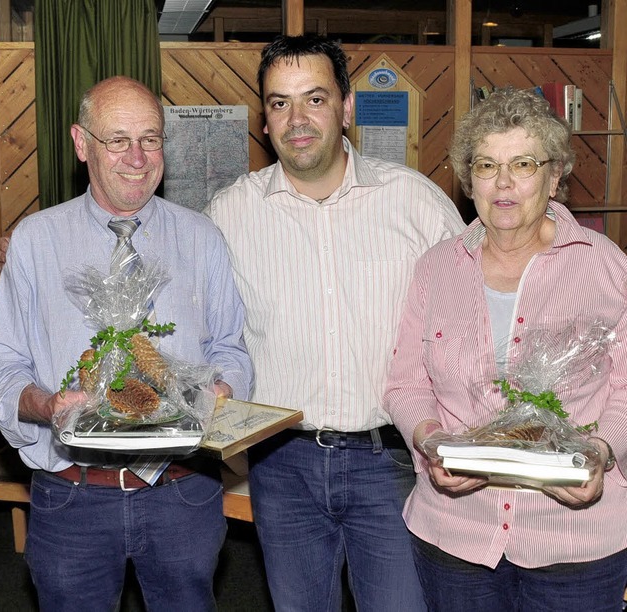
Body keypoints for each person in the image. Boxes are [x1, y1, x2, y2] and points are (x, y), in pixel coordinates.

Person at [205, 35, 465, 611]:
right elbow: (175, 293)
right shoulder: (229, 215)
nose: (297, 119)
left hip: (393, 459)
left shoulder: (416, 205)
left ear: (346, 108)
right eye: (279, 103)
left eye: (315, 98)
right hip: (282, 465)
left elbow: (473, 319)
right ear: (264, 119)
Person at [0, 76, 253, 612]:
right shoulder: (37, 241)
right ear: (82, 143)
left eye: (150, 138)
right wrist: (45, 404)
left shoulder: (202, 238)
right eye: (118, 139)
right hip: (72, 494)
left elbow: (231, 346)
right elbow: (1, 368)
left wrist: (222, 388)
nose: (137, 156)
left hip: (183, 490)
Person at [383, 86, 627, 611]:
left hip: (575, 540)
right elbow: (406, 385)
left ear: (554, 175)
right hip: (456, 538)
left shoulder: (605, 266)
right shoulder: (436, 268)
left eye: (523, 163)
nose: (505, 183)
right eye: (487, 165)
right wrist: (432, 444)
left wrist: (600, 453)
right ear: (468, 178)